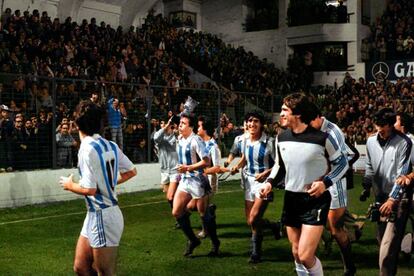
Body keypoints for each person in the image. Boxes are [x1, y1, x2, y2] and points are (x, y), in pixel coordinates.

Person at [262, 93, 348, 275]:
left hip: (315, 201)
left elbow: (343, 164)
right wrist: (269, 182)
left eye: (285, 110)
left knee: (306, 255)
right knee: (296, 252)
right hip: (291, 198)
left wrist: (325, 183)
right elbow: (280, 165)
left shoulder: (322, 138)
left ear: (298, 114)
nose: (281, 114)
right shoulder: (281, 138)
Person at [59, 100, 137, 275]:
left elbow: (89, 189)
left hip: (104, 215)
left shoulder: (86, 149)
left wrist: (70, 185)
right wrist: (107, 183)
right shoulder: (110, 144)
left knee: (104, 272)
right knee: (80, 267)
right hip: (95, 214)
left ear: (77, 123)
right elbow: (132, 171)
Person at [360, 108, 412, 276]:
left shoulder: (405, 142)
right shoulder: (370, 141)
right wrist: (366, 186)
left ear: (391, 125)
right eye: (377, 125)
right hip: (379, 198)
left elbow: (402, 173)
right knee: (383, 242)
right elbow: (369, 165)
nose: (379, 129)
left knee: (388, 246)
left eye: (383, 126)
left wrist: (392, 200)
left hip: (399, 198)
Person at [310, 107, 356, 275]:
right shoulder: (309, 130)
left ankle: (349, 265)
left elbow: (345, 161)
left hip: (335, 182)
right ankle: (309, 262)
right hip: (316, 181)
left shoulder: (332, 132)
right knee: (312, 224)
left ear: (318, 117)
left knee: (335, 228)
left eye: (310, 120)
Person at [172, 113, 220, 257]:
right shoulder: (180, 139)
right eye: (180, 123)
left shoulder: (196, 140)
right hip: (185, 180)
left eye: (184, 123)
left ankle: (215, 242)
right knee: (176, 212)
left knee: (204, 215)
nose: (180, 125)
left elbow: (206, 161)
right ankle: (193, 240)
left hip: (198, 180)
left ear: (191, 127)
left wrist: (188, 167)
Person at [231, 110, 276, 263]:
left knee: (254, 218)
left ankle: (256, 252)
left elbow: (279, 165)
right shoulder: (243, 140)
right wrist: (237, 167)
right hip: (249, 182)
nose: (252, 124)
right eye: (249, 121)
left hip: (264, 184)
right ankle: (273, 227)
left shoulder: (269, 142)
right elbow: (245, 159)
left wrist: (266, 173)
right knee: (251, 221)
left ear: (262, 124)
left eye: (256, 121)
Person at [190, 115, 224, 238]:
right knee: (191, 206)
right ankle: (210, 210)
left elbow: (217, 168)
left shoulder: (212, 146)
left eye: (199, 126)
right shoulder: (199, 142)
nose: (196, 129)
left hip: (209, 182)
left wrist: (204, 171)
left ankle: (206, 231)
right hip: (200, 180)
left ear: (205, 129)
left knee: (201, 209)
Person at [153, 116, 179, 225]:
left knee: (171, 196)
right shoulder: (159, 137)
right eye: (162, 124)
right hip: (164, 171)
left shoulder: (175, 136)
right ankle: (180, 216)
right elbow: (156, 138)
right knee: (169, 198)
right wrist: (166, 126)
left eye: (166, 124)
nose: (163, 126)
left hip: (175, 170)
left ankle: (181, 213)